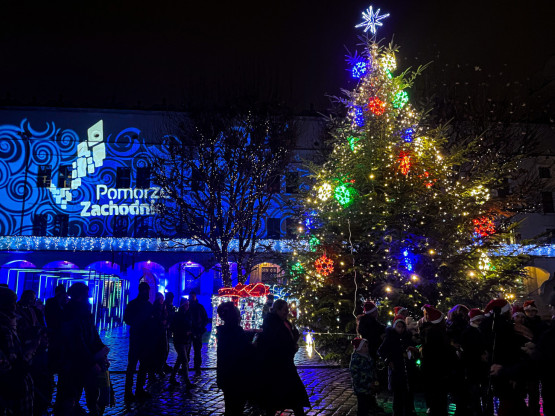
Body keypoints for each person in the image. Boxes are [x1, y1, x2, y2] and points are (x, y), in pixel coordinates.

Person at [56, 282, 109, 416]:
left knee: (90, 394)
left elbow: (92, 334)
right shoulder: (71, 314)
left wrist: (101, 349)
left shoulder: (83, 312)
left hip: (86, 360)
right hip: (75, 363)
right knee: (71, 396)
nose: (88, 297)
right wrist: (91, 361)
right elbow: (76, 341)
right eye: (86, 295)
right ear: (79, 296)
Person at [258, 299, 309, 416]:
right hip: (277, 365)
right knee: (281, 395)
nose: (287, 312)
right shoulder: (272, 323)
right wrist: (290, 346)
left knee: (293, 395)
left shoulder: (283, 322)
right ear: (277, 310)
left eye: (287, 310)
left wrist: (293, 340)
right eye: (284, 310)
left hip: (285, 364)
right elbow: (277, 341)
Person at [0, 286, 36, 416]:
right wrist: (29, 351)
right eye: (12, 303)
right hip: (15, 396)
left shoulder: (9, 327)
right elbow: (11, 369)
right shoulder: (5, 331)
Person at [216, 301, 254, 416]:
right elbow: (245, 351)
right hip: (238, 377)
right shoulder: (237, 333)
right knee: (237, 408)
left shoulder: (223, 332)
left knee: (229, 407)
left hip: (226, 376)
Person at [378, 315, 418, 416]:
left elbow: (413, 347)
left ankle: (409, 410)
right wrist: (388, 360)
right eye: (398, 326)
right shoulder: (390, 337)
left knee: (408, 393)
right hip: (396, 369)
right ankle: (397, 412)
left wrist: (412, 351)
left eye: (402, 327)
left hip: (407, 369)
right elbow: (381, 351)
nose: (400, 329)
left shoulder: (407, 336)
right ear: (395, 326)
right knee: (398, 395)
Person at [420, 304, 454, 416]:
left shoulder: (428, 331)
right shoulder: (437, 333)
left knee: (434, 398)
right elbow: (441, 351)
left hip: (431, 370)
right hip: (438, 370)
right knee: (439, 398)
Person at [123, 282, 153, 402]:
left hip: (145, 338)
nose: (148, 293)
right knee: (132, 365)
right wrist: (138, 322)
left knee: (143, 365)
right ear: (142, 291)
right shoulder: (134, 304)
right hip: (137, 338)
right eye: (146, 291)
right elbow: (127, 319)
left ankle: (139, 389)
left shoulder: (148, 305)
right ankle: (129, 391)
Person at [356, 300, 385, 412]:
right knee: (370, 378)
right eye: (376, 311)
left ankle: (371, 403)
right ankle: (370, 404)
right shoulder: (369, 322)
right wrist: (379, 337)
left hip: (371, 352)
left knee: (371, 378)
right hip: (370, 352)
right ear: (372, 312)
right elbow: (372, 335)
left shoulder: (369, 321)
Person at [169, 298, 194, 388]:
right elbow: (175, 328)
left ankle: (172, 377)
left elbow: (191, 325)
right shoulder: (178, 315)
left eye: (188, 305)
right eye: (186, 305)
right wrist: (184, 332)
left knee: (180, 360)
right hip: (179, 340)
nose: (187, 306)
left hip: (186, 340)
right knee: (184, 360)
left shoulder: (188, 314)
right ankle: (187, 381)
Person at [350, 338, 376, 416]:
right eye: (364, 346)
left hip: (368, 387)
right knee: (362, 407)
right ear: (359, 348)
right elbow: (356, 375)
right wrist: (367, 383)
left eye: (367, 346)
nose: (367, 348)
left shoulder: (367, 357)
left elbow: (371, 370)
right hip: (361, 388)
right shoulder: (356, 359)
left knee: (367, 406)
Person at [187, 291, 209, 374]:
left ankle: (197, 367)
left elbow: (205, 318)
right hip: (189, 331)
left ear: (195, 297)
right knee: (187, 350)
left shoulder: (200, 307)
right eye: (191, 297)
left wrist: (201, 328)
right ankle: (186, 366)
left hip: (197, 331)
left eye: (193, 296)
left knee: (197, 350)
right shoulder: (187, 307)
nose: (192, 298)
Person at [151, 292, 169, 375]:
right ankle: (156, 369)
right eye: (161, 298)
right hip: (157, 332)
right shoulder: (156, 308)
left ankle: (160, 367)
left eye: (163, 298)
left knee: (164, 350)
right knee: (158, 351)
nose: (162, 300)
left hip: (163, 331)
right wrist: (161, 322)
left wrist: (166, 323)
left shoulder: (164, 307)